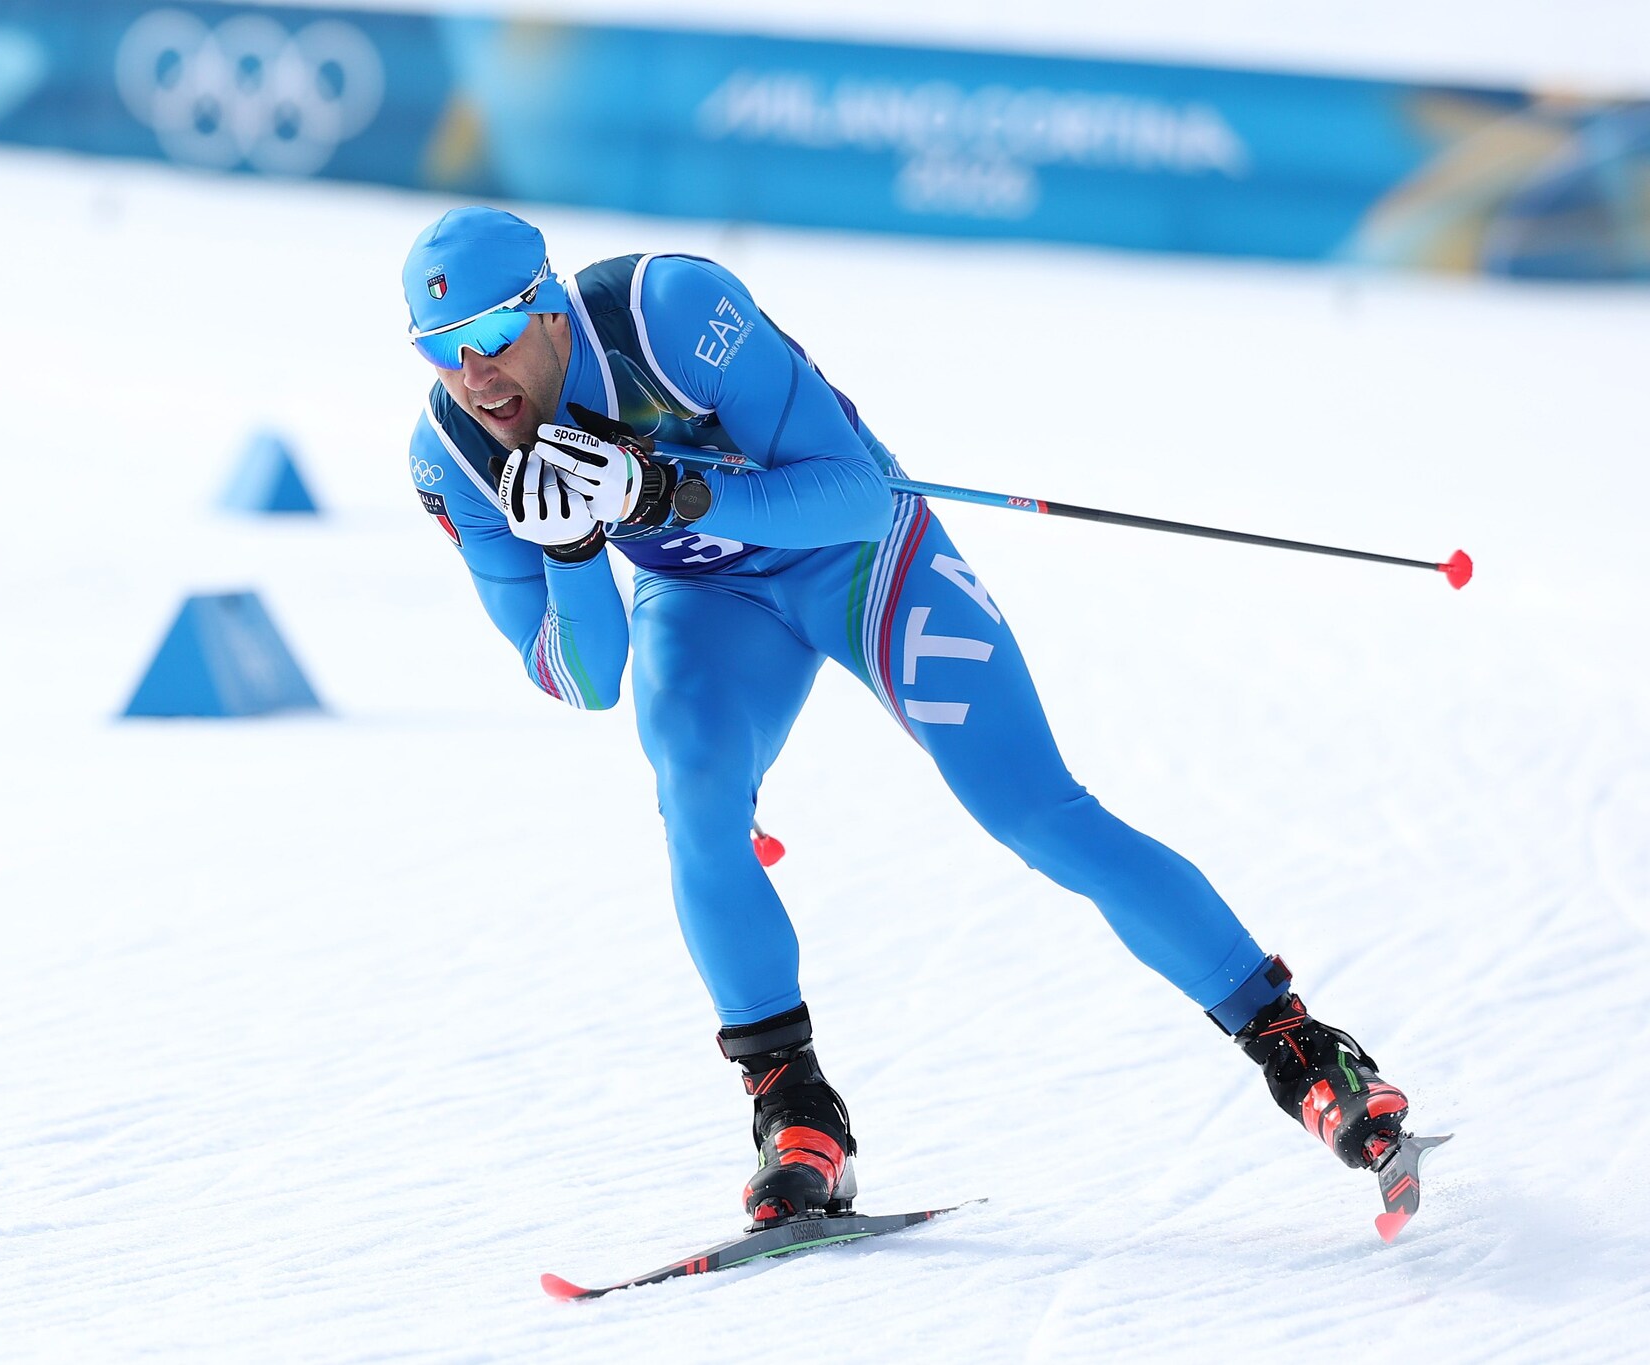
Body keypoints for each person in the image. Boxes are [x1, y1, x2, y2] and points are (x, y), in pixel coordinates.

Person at [400, 205, 1412, 1226]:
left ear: (550, 307)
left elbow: (853, 496)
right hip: (706, 599)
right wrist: (573, 552)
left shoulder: (666, 311)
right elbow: (582, 679)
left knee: (1034, 812)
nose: (474, 376)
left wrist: (670, 495)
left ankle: (1301, 1051)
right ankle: (795, 1114)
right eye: (441, 350)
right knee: (694, 803)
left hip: (855, 560)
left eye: (491, 335)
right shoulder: (453, 456)